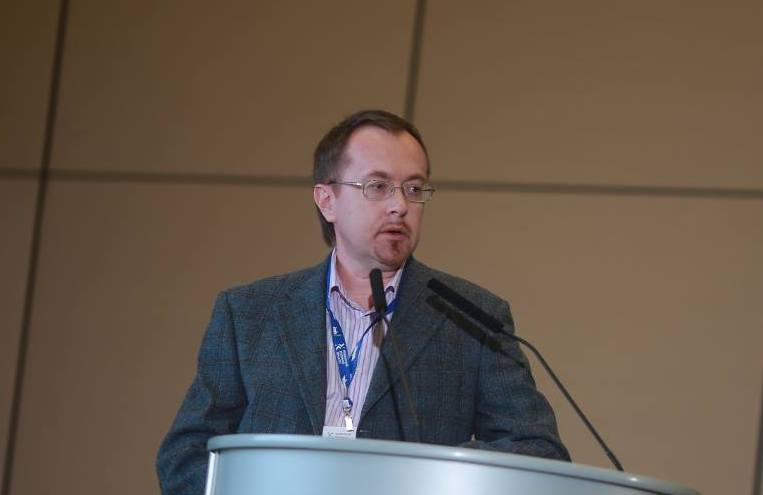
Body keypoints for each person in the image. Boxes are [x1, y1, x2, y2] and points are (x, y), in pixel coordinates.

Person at [156, 109, 569, 494]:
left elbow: (538, 451)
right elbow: (185, 455)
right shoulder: (249, 314)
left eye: (413, 188)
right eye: (377, 186)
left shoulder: (471, 316)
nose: (400, 206)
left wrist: (427, 475)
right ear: (327, 200)